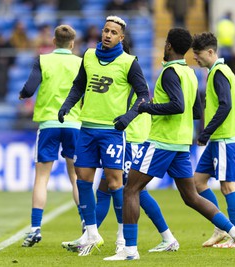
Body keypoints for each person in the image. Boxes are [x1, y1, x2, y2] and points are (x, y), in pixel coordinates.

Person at [103, 28, 235, 261]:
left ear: (169, 46)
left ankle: (129, 250)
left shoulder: (170, 72)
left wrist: (147, 107)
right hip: (182, 144)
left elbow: (178, 106)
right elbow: (195, 110)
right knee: (191, 196)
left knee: (131, 189)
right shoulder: (191, 74)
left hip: (163, 141)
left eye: (165, 43)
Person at [62, 40, 178, 255]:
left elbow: (138, 104)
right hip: (126, 137)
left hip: (130, 139)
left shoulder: (125, 75)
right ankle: (91, 235)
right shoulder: (123, 72)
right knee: (106, 191)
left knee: (133, 192)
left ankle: (155, 238)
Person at [57, 15, 150, 256]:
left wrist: (128, 117)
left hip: (111, 132)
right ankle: (91, 233)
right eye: (105, 30)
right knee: (82, 178)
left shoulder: (129, 62)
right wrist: (67, 105)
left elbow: (143, 95)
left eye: (113, 32)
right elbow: (79, 85)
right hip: (87, 128)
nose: (107, 35)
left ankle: (122, 238)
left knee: (115, 183)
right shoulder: (88, 55)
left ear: (121, 37)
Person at [19, 24, 84, 247]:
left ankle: (35, 229)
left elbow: (29, 89)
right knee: (77, 178)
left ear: (54, 42)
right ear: (73, 44)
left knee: (42, 178)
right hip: (74, 123)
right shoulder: (80, 62)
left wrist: (22, 94)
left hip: (49, 123)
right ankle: (86, 226)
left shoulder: (43, 60)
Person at [191, 32, 235, 249]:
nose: (195, 58)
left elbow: (226, 105)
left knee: (228, 187)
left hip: (222, 139)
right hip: (220, 138)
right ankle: (221, 227)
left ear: (211, 52)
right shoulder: (222, 71)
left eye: (198, 54)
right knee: (198, 181)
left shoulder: (218, 73)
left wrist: (206, 132)